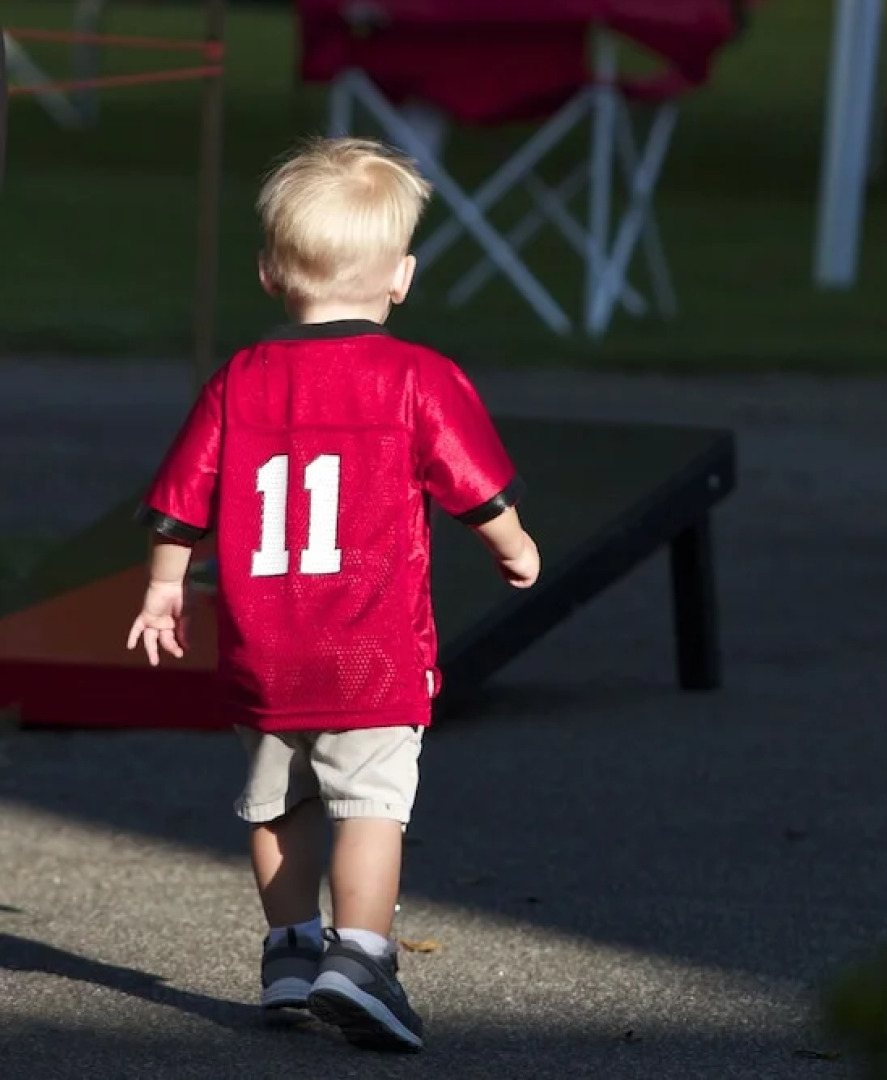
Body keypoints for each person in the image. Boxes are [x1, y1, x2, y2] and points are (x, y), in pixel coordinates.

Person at [124, 136, 541, 1054]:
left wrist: (164, 587)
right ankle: (361, 958)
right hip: (371, 644)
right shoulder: (415, 377)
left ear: (271, 274)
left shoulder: (240, 377)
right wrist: (515, 547)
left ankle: (288, 952)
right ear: (402, 276)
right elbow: (473, 483)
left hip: (264, 643)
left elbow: (180, 499)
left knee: (278, 803)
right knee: (370, 806)